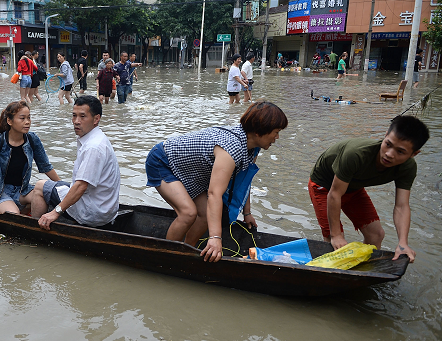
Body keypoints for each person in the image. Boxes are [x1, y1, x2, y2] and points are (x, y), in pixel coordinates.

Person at [144, 101, 288, 261]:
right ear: (259, 132)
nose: (277, 138)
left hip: (192, 172)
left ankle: (187, 251)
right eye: (275, 132)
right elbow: (214, 194)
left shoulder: (253, 147)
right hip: (163, 162)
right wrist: (215, 237)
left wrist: (247, 213)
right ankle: (165, 256)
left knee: (205, 215)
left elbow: (244, 180)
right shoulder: (231, 149)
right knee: (188, 213)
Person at [308, 115, 429, 263]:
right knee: (333, 240)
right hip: (325, 185)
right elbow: (334, 194)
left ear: (414, 154)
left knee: (376, 234)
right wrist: (336, 235)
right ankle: (331, 277)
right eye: (388, 144)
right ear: (385, 135)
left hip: (354, 187)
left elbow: (402, 205)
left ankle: (364, 274)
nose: (389, 154)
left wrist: (402, 243)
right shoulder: (356, 154)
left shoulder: (408, 168)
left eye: (400, 151)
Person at [35, 95, 120, 229]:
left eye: (82, 116)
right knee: (58, 185)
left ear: (96, 119)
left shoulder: (93, 146)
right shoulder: (98, 138)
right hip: (105, 210)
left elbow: (81, 186)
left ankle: (37, 229)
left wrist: (55, 212)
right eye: (74, 116)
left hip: (92, 213)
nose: (76, 121)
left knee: (40, 187)